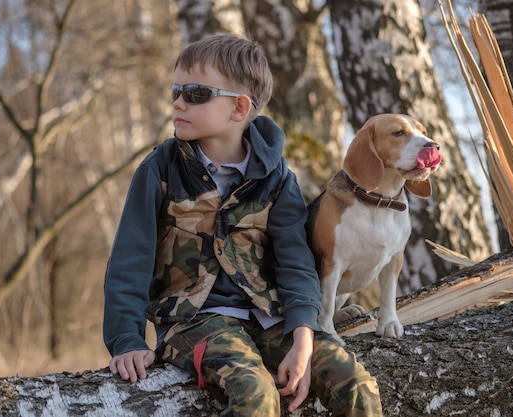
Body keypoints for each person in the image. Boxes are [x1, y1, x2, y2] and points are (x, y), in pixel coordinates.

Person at [103, 33, 383, 417]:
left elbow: (295, 261)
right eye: (176, 90)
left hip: (273, 317)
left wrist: (303, 336)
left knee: (357, 385)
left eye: (196, 93)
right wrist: (126, 340)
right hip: (194, 322)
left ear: (239, 108)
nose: (178, 102)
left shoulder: (277, 177)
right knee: (256, 394)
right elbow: (129, 261)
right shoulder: (160, 170)